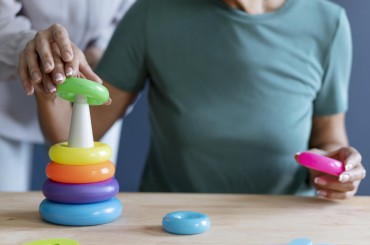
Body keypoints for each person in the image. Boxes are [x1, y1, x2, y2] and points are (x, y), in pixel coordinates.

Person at [19, 0, 366, 199]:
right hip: (171, 227)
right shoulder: (152, 14)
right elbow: (72, 135)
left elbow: (328, 138)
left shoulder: (328, 23)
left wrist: (338, 169)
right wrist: (50, 76)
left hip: (284, 226)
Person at [0, 0, 135, 191]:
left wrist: (102, 47)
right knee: (6, 207)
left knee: (90, 194)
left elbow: (130, 16)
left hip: (94, 83)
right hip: (10, 93)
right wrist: (32, 49)